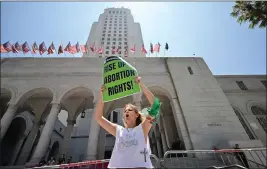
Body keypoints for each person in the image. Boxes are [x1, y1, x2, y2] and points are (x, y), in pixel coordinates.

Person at [95, 76, 159, 169]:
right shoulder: (119, 130)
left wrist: (141, 85)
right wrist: (102, 96)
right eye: (125, 111)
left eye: (129, 110)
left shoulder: (142, 128)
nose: (126, 112)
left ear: (137, 114)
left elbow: (156, 106)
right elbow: (99, 118)